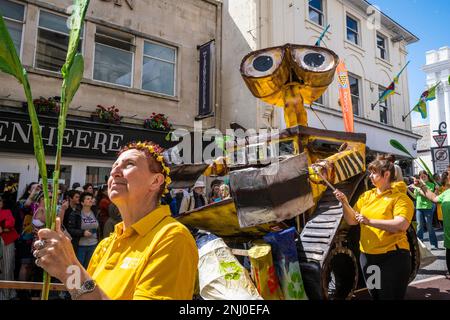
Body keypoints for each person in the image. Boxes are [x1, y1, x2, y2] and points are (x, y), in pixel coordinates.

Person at [32, 141, 198, 300]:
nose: (114, 172)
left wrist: (69, 269)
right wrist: (64, 268)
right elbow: (82, 293)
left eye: (129, 164)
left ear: (155, 181)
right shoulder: (107, 244)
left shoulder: (172, 238)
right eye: (114, 167)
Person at [333, 155, 414, 300]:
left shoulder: (400, 198)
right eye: (370, 172)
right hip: (368, 258)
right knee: (375, 295)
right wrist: (344, 203)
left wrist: (369, 221)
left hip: (393, 259)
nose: (370, 176)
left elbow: (401, 225)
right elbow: (352, 221)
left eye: (374, 172)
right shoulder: (366, 196)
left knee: (388, 297)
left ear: (387, 174)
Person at [415, 165, 450, 276]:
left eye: (449, 173)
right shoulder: (447, 193)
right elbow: (434, 198)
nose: (447, 175)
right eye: (447, 172)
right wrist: (422, 185)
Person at [67, 192, 99, 269]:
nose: (90, 200)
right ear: (82, 202)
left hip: (93, 245)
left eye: (91, 199)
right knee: (78, 269)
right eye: (88, 199)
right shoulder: (75, 214)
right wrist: (82, 233)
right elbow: (70, 229)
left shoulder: (95, 212)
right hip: (81, 246)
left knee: (89, 268)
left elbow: (98, 227)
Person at [0, 195, 20, 300]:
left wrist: (2, 227)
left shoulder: (6, 211)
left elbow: (10, 223)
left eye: (0, 201)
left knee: (7, 268)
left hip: (6, 241)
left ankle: (7, 294)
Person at [413, 171, 439, 249]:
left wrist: (418, 188)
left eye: (424, 176)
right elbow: (415, 196)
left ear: (427, 176)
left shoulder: (431, 185)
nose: (423, 177)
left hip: (428, 207)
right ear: (419, 177)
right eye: (421, 176)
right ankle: (419, 245)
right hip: (419, 207)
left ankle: (434, 244)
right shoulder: (417, 185)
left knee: (429, 226)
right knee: (419, 226)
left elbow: (426, 195)